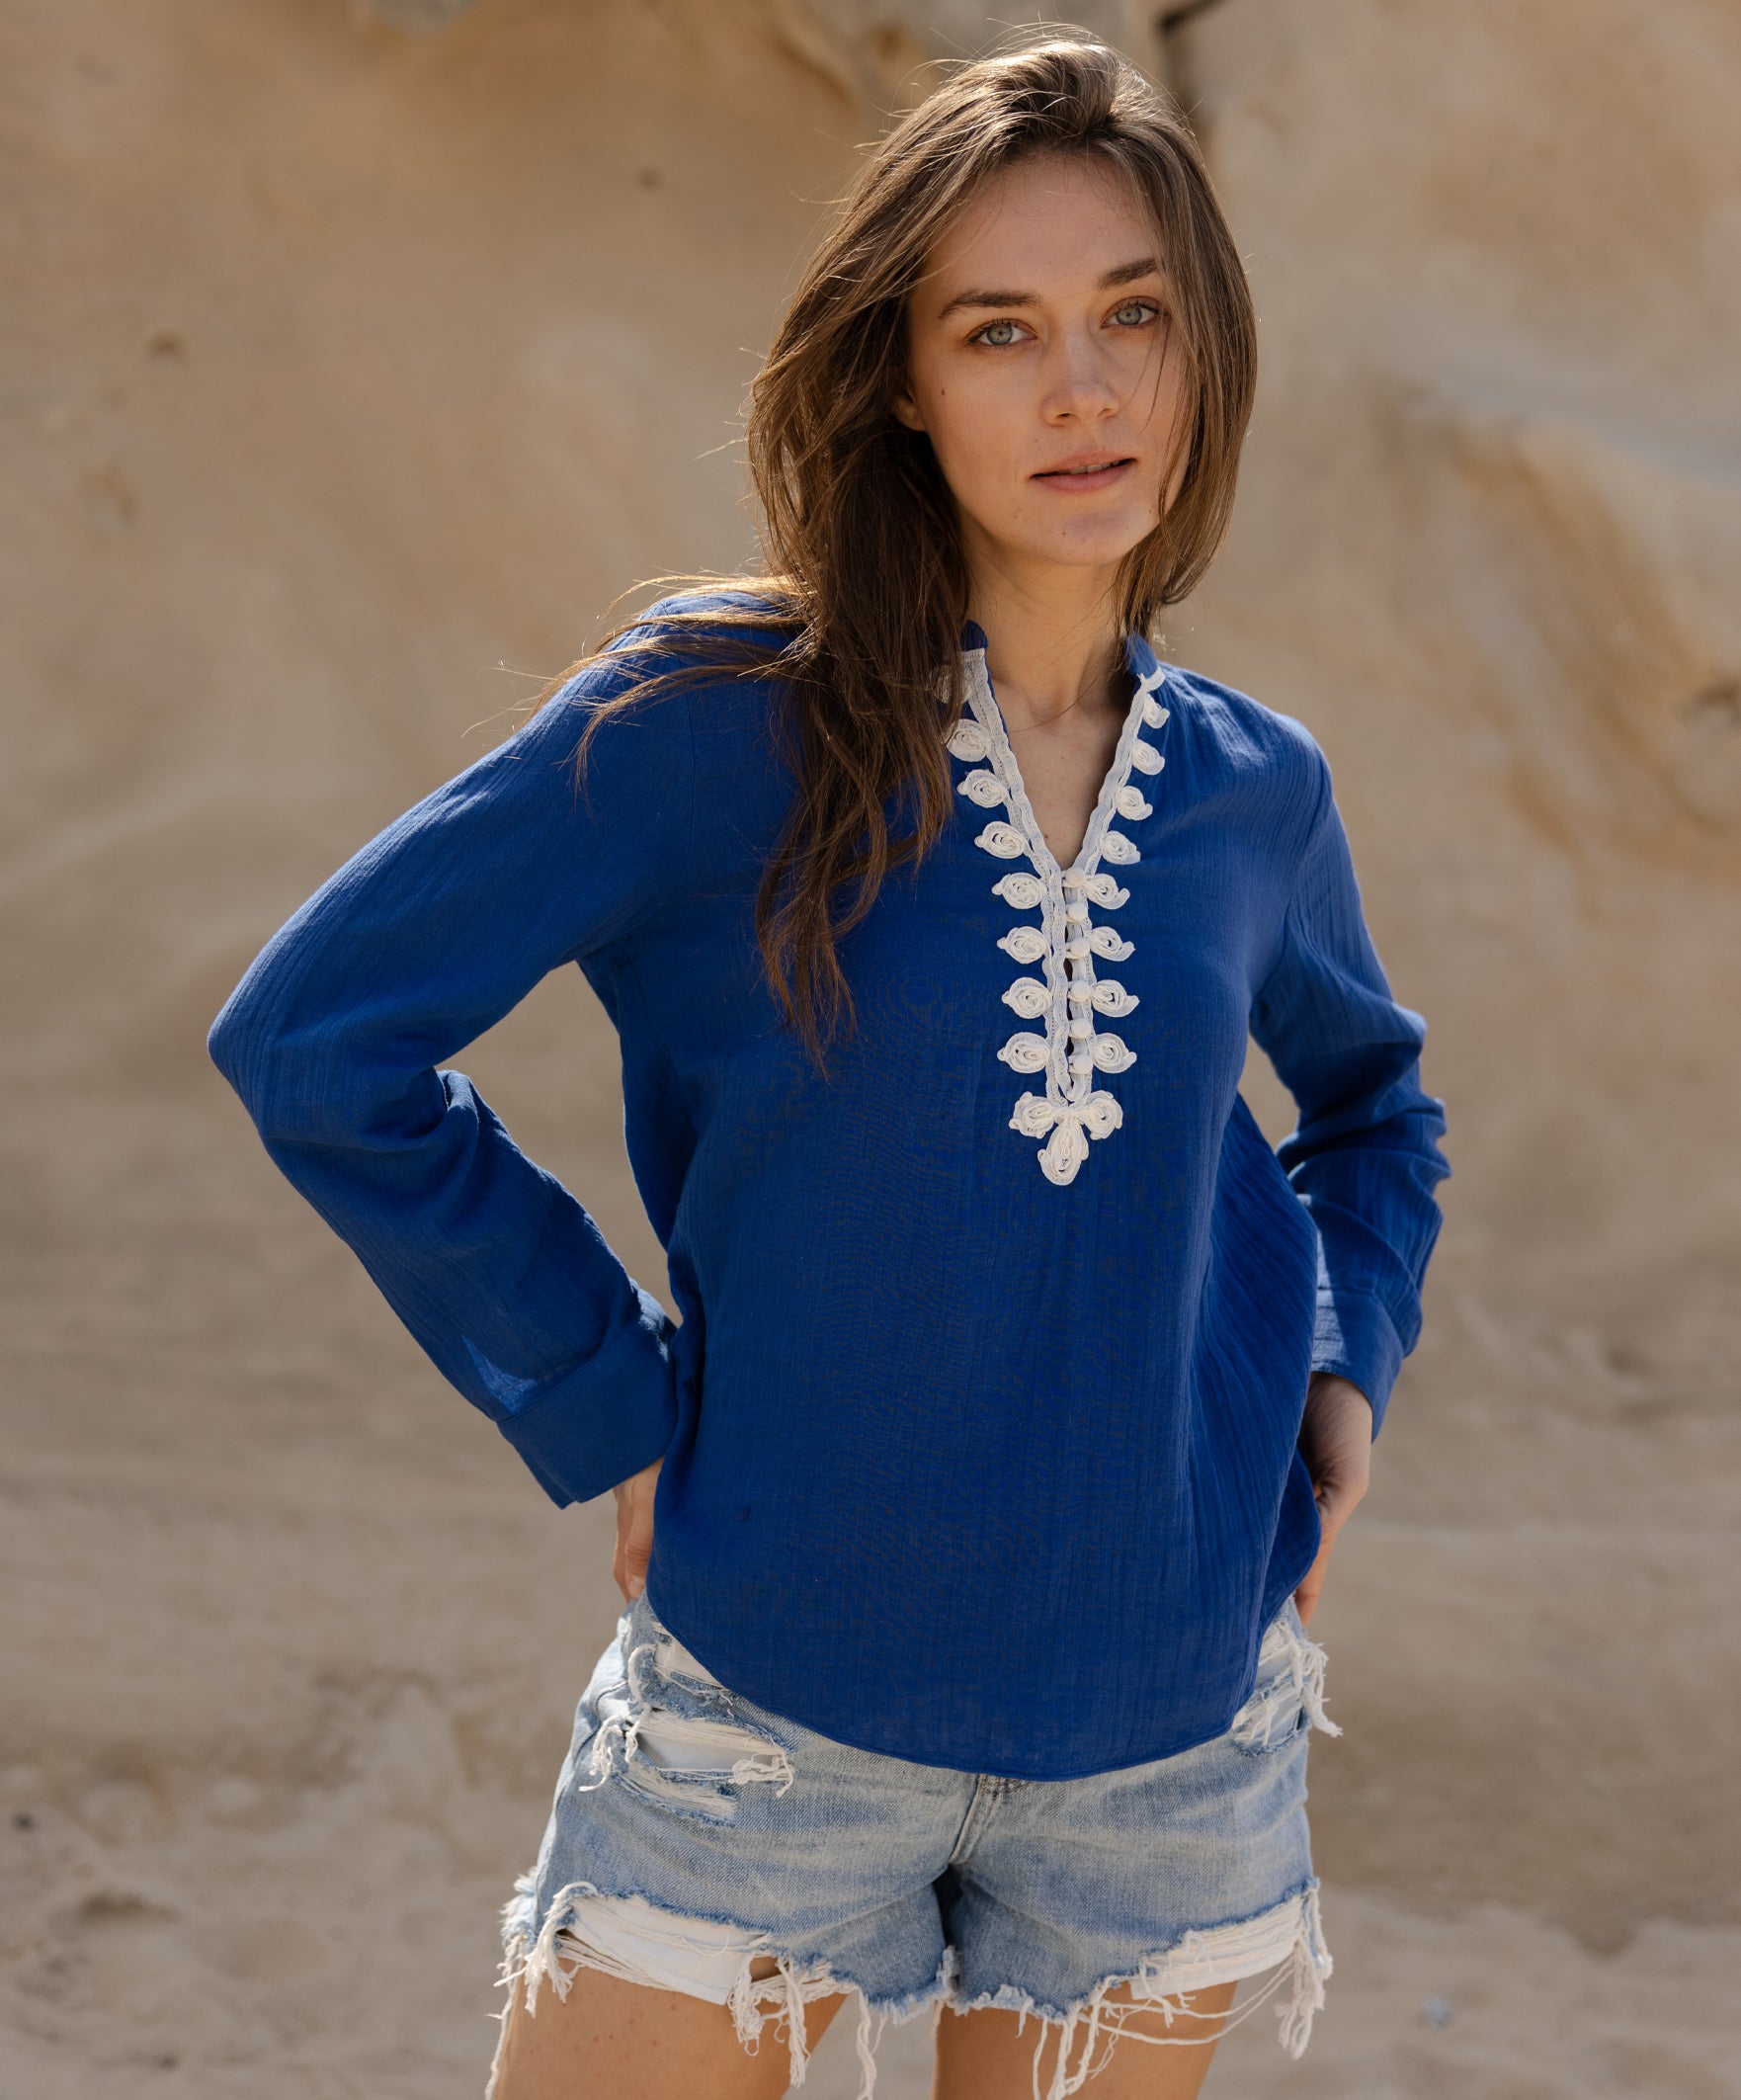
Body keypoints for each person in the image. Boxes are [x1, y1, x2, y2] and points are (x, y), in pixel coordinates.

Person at [209, 35, 1448, 2100]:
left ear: (1202, 349)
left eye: (1134, 315)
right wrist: (598, 1396)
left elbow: (1369, 1105)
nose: (1084, 389)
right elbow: (319, 1040)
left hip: (1163, 1761)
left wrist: (1337, 1372)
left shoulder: (1251, 791)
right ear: (898, 376)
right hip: (763, 1723)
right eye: (1001, 330)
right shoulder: (709, 722)